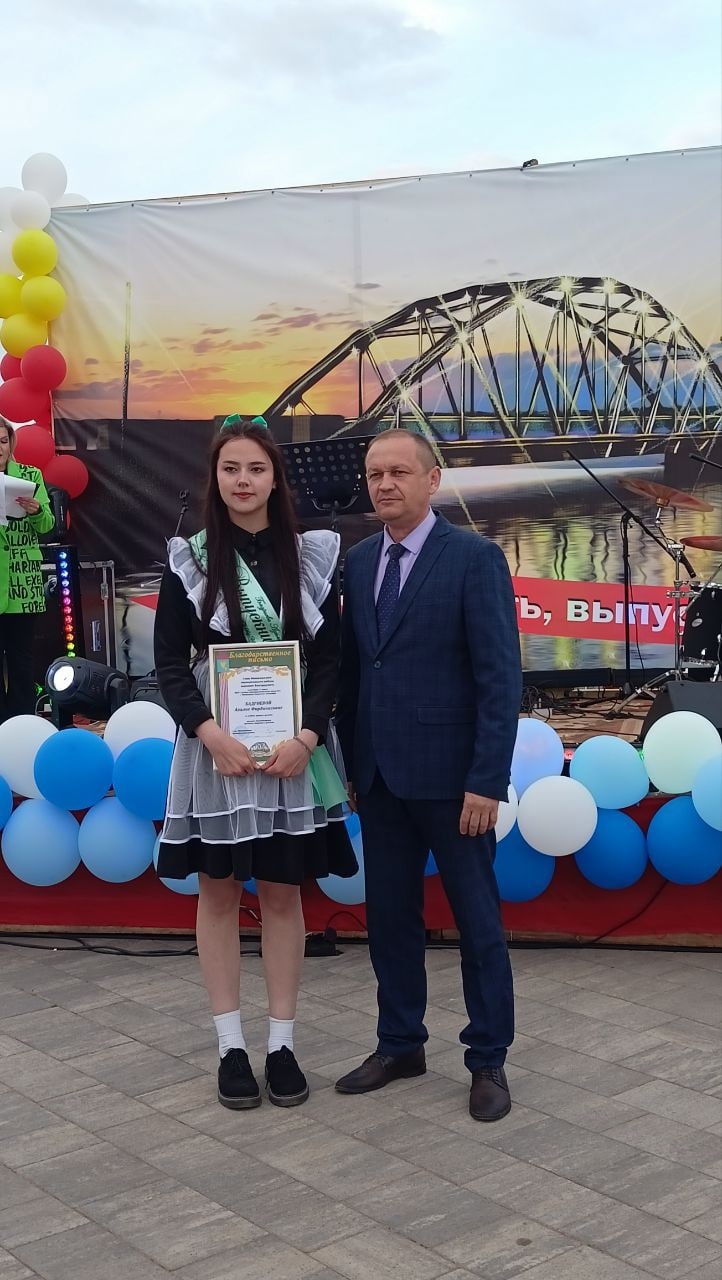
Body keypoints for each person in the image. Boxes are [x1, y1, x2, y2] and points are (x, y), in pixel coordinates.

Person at [154, 415, 356, 1111]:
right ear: (215, 478)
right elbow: (168, 664)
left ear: (275, 478)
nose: (243, 480)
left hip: (290, 753)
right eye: (230, 468)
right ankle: (230, 1046)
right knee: (216, 894)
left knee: (281, 894)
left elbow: (330, 661)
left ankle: (282, 1044)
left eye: (256, 468)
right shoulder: (190, 559)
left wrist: (309, 734)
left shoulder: (309, 556)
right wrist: (209, 732)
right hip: (218, 753)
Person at [334, 427, 522, 1121]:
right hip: (381, 779)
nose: (384, 484)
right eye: (374, 474)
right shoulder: (359, 561)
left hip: (454, 783)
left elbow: (500, 678)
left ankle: (488, 1059)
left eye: (399, 472)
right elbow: (356, 672)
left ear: (432, 479)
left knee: (478, 926)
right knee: (390, 921)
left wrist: (487, 780)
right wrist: (351, 764)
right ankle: (400, 1044)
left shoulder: (474, 558)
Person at [0, 417, 54, 723]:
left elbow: (47, 526)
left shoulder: (31, 475)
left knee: (21, 660)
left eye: (3, 441)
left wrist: (36, 511)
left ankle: (22, 724)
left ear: (11, 443)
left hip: (23, 583)